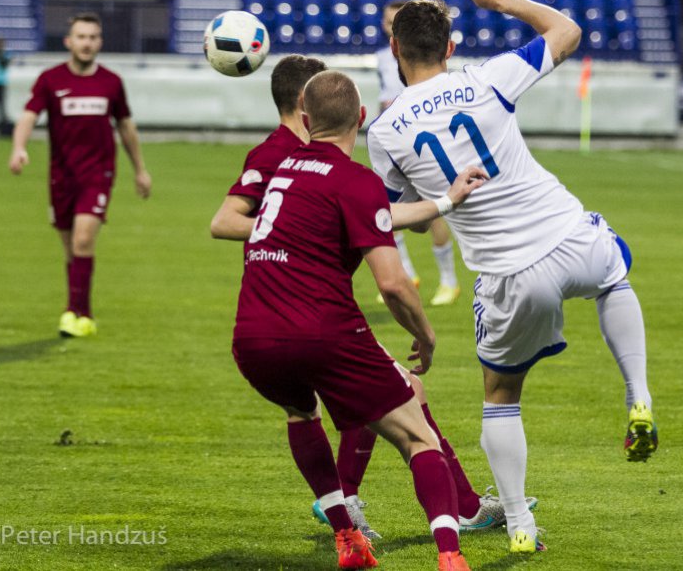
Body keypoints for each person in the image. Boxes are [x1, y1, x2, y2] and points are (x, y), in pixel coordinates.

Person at [367, 0, 657, 554]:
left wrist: (441, 202)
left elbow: (392, 218)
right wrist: (502, 1)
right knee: (613, 273)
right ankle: (638, 394)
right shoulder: (488, 78)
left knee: (501, 396)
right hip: (568, 235)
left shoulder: (384, 131)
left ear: (395, 49)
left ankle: (520, 524)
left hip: (508, 275)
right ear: (450, 47)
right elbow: (567, 32)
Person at [211, 54, 528, 542]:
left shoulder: (317, 162)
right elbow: (224, 222)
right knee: (400, 399)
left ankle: (409, 505)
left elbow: (370, 213)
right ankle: (431, 515)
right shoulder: (276, 155)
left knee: (387, 396)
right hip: (308, 309)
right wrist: (291, 234)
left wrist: (443, 202)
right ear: (310, 107)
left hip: (284, 314)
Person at [8, 13, 152, 337]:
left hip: (98, 174)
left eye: (92, 37)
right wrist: (18, 147)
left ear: (100, 42)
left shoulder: (111, 82)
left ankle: (78, 315)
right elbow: (28, 115)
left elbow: (125, 127)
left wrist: (140, 170)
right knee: (71, 249)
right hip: (61, 177)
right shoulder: (50, 79)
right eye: (81, 37)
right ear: (68, 41)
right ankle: (78, 311)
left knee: (84, 239)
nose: (87, 43)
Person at [375, 0, 462, 307]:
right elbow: (385, 95)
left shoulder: (422, 55)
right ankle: (407, 274)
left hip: (420, 141)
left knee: (433, 211)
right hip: (394, 141)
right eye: (387, 21)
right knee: (387, 206)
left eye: (394, 22)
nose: (390, 27)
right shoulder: (381, 58)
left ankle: (449, 281)